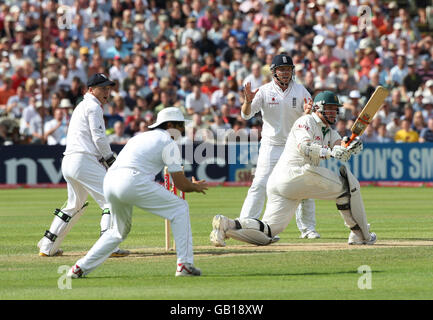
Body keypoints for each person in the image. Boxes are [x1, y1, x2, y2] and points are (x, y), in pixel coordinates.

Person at [210, 91, 377, 247]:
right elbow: (305, 147)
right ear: (318, 108)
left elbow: (340, 147)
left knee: (268, 231)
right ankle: (360, 233)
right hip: (296, 173)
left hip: (285, 184)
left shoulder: (330, 131)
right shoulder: (305, 121)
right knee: (349, 185)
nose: (334, 113)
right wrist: (330, 152)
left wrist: (350, 146)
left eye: (335, 110)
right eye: (330, 109)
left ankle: (227, 225)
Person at [67, 107, 208, 278]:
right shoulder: (169, 143)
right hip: (131, 180)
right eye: (180, 126)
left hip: (110, 180)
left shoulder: (140, 137)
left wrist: (188, 184)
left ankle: (79, 268)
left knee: (118, 231)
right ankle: (185, 265)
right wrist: (195, 187)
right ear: (170, 124)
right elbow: (181, 185)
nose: (182, 131)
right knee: (180, 208)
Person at [38, 73, 129, 258]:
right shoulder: (93, 106)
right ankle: (108, 246)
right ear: (90, 90)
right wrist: (110, 159)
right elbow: (98, 137)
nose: (107, 92)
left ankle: (47, 246)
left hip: (70, 161)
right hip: (84, 160)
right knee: (111, 200)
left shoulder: (82, 105)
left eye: (108, 88)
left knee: (74, 205)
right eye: (102, 88)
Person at [232, 54, 320, 240]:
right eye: (282, 70)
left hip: (295, 145)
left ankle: (307, 229)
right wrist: (247, 102)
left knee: (304, 187)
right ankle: (245, 224)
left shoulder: (301, 90)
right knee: (260, 184)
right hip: (272, 145)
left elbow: (312, 120)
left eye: (288, 70)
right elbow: (246, 115)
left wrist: (307, 114)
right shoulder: (264, 91)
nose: (286, 73)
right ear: (274, 72)